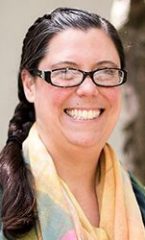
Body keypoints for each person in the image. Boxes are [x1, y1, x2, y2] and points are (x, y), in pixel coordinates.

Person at [0, 7, 144, 240]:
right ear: (29, 84)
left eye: (106, 71)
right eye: (66, 71)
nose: (88, 89)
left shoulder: (140, 203)